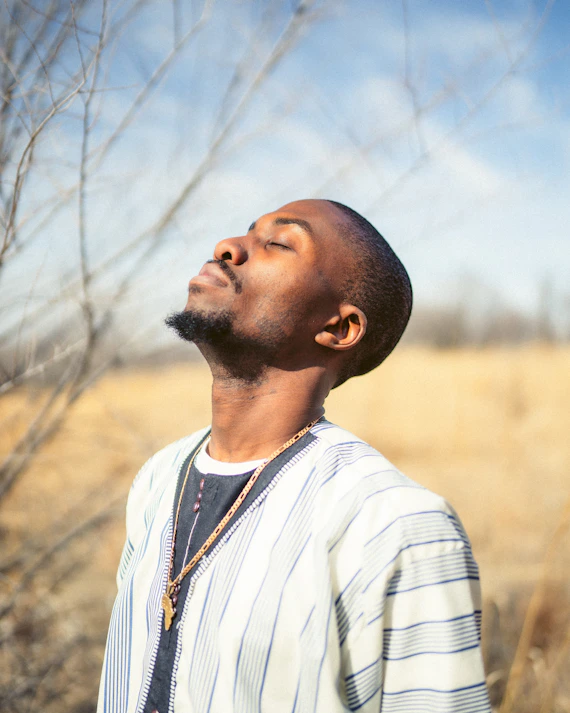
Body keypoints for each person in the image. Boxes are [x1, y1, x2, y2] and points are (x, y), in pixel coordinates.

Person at [97, 199, 490, 713]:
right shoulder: (159, 478)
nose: (227, 248)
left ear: (339, 328)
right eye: (245, 233)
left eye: (279, 243)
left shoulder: (395, 526)